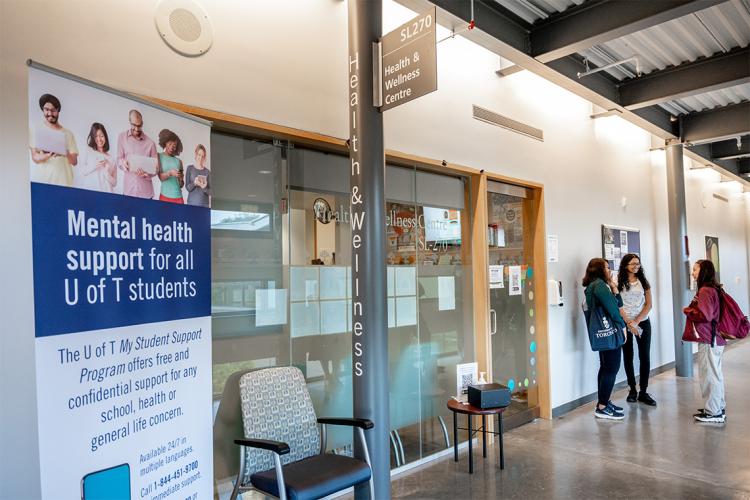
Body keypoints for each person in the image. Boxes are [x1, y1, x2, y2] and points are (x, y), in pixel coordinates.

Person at [583, 258, 628, 420]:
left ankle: (604, 402)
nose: (610, 270)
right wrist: (622, 327)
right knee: (611, 368)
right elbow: (614, 309)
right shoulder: (600, 286)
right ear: (598, 270)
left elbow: (618, 302)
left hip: (603, 332)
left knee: (605, 367)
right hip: (610, 330)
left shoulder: (595, 285)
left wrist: (614, 287)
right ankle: (602, 406)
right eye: (607, 268)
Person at [684, 260, 726, 423]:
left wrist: (688, 311)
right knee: (716, 374)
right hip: (715, 338)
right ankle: (717, 407)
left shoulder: (705, 290)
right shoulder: (713, 288)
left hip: (710, 339)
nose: (693, 273)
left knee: (709, 375)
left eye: (695, 270)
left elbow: (705, 316)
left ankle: (713, 412)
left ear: (703, 271)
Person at [617, 254, 657, 406]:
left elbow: (648, 304)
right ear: (625, 265)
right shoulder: (618, 282)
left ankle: (644, 391)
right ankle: (632, 389)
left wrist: (637, 322)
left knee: (644, 356)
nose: (636, 266)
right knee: (628, 356)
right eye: (633, 263)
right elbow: (617, 304)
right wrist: (629, 322)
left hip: (642, 322)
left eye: (638, 263)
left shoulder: (644, 282)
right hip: (625, 323)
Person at [29, 94, 78, 186]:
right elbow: (35, 157)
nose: (50, 113)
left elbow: (74, 161)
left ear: (58, 111)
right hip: (43, 181)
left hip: (65, 182)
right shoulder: (36, 129)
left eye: (53, 110)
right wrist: (49, 154)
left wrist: (65, 152)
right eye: (46, 109)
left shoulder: (68, 134)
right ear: (43, 110)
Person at [117, 109, 157, 199]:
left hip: (146, 193)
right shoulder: (122, 137)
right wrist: (123, 163)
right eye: (134, 125)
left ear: (142, 123)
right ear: (129, 121)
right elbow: (118, 159)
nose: (136, 129)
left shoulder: (151, 143)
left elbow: (156, 168)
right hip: (128, 191)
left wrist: (147, 174)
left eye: (139, 126)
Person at [75, 123, 116, 192]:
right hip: (90, 194)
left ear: (105, 137)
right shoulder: (88, 151)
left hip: (107, 194)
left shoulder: (111, 159)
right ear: (93, 137)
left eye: (101, 136)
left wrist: (106, 172)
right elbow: (81, 172)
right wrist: (95, 165)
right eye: (96, 136)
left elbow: (114, 183)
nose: (99, 139)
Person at [156, 129, 184, 204]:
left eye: (174, 145)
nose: (172, 147)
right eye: (170, 143)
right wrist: (170, 173)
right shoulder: (159, 156)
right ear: (165, 142)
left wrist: (180, 179)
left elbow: (181, 185)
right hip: (164, 196)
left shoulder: (179, 161)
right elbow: (161, 177)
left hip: (178, 197)